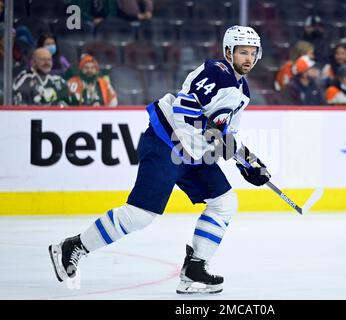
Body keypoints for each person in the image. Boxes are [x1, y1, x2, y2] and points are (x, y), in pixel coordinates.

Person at [49, 25, 270, 294]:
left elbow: (227, 134)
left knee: (224, 203)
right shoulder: (216, 72)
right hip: (167, 142)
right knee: (140, 215)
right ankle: (73, 246)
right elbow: (183, 108)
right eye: (242, 52)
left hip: (192, 152)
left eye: (252, 53)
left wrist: (248, 162)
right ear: (228, 52)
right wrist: (216, 136)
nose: (248, 58)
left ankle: (195, 269)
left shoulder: (242, 90)